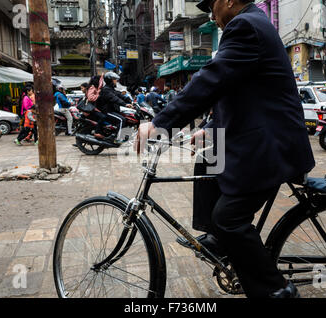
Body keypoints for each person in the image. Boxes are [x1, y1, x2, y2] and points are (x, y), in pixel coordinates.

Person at [135, 0, 315, 298]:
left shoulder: (245, 27)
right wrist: (207, 129)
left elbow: (211, 80)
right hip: (259, 139)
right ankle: (219, 240)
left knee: (229, 219)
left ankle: (277, 290)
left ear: (230, 1)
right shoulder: (251, 24)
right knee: (209, 154)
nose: (211, 13)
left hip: (272, 147)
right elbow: (231, 90)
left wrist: (160, 124)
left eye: (213, 5)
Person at [95, 72, 133, 144]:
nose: (116, 81)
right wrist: (125, 104)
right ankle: (118, 138)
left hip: (112, 110)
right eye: (114, 79)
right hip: (107, 111)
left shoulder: (111, 89)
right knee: (122, 120)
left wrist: (129, 100)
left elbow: (119, 95)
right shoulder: (106, 90)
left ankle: (123, 135)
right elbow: (114, 98)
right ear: (110, 80)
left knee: (127, 117)